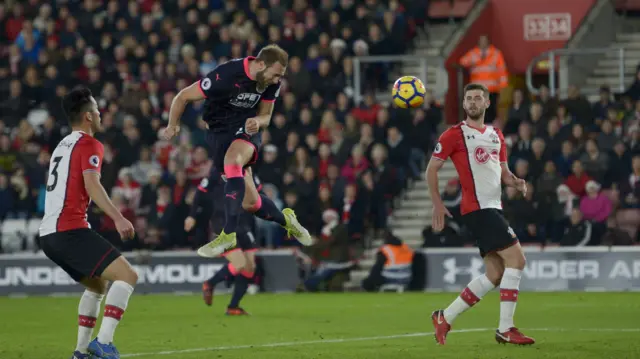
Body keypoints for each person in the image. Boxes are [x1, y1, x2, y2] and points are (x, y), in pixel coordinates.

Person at [163, 44, 313, 261]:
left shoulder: (271, 83)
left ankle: (228, 234)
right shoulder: (225, 75)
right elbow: (182, 96)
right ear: (261, 64)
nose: (277, 80)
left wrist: (257, 121)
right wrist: (172, 124)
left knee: (232, 161)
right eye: (275, 74)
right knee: (250, 203)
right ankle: (286, 220)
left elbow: (266, 116)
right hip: (218, 135)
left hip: (246, 131)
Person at [426, 83, 535, 346]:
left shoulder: (497, 134)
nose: (473, 102)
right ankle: (506, 328)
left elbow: (503, 173)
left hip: (492, 207)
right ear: (464, 104)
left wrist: (516, 182)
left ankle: (445, 316)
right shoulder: (453, 135)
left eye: (478, 98)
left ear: (487, 103)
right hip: (478, 209)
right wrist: (438, 204)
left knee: (495, 274)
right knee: (517, 260)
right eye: (469, 98)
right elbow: (431, 170)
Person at [38, 87, 138, 359]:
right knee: (128, 275)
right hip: (69, 229)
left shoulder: (62, 145)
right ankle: (104, 342)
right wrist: (118, 217)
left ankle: (81, 352)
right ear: (88, 117)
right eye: (96, 109)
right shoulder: (90, 144)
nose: (100, 112)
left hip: (49, 235)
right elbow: (92, 185)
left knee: (97, 286)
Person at [186, 167, 262, 315]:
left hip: (244, 223)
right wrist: (192, 216)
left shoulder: (249, 171)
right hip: (223, 223)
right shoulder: (217, 172)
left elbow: (259, 193)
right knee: (239, 264)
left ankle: (233, 306)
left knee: (250, 267)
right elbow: (199, 194)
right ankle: (210, 283)